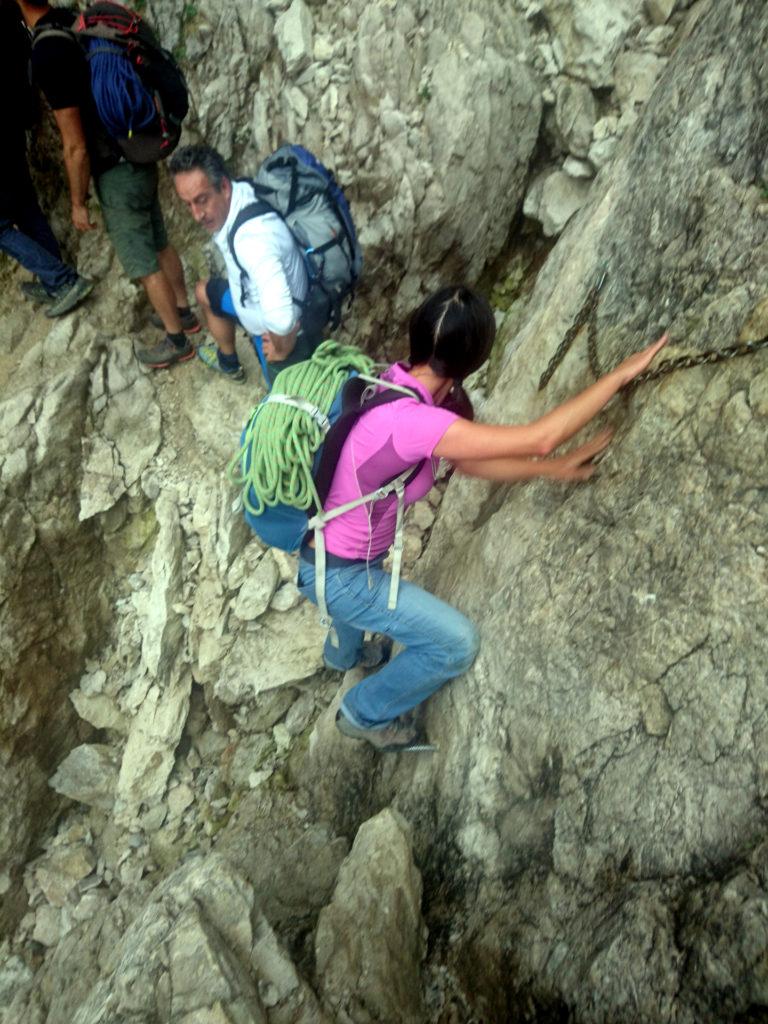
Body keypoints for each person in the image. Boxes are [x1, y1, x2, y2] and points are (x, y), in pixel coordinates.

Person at [296, 285, 668, 752]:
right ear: (471, 361)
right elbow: (540, 437)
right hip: (345, 576)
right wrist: (621, 374)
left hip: (323, 555)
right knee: (457, 644)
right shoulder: (415, 422)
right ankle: (362, 713)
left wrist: (551, 471)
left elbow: (470, 463)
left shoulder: (389, 382)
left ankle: (345, 654)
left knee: (352, 616)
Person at [17, 0, 199, 367]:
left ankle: (176, 341)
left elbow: (75, 147)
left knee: (142, 262)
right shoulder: (74, 20)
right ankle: (184, 313)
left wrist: (78, 202)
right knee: (160, 241)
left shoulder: (48, 50)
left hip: (114, 170)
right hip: (137, 149)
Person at [169, 144, 327, 388]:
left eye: (201, 200)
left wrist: (280, 350)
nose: (197, 214)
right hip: (253, 302)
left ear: (223, 186)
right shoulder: (242, 193)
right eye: (188, 204)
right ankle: (228, 361)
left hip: (278, 331)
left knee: (279, 404)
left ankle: (274, 382)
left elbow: (282, 320)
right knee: (204, 292)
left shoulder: (252, 241)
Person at [0, 1, 93, 317]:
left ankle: (63, 280)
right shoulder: (11, 16)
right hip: (13, 127)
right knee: (25, 207)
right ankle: (55, 276)